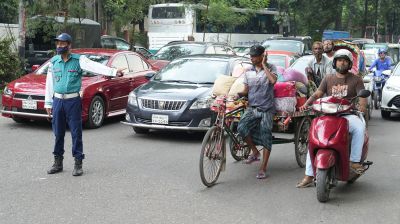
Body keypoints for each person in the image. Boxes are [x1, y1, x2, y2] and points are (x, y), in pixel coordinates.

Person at [44, 33, 123, 176]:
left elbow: (95, 67)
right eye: (58, 44)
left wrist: (113, 71)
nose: (59, 46)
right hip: (57, 101)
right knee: (58, 133)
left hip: (72, 101)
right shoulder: (54, 62)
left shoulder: (79, 60)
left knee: (76, 132)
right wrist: (48, 103)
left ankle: (78, 162)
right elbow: (49, 83)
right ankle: (58, 162)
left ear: (69, 45)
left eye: (62, 44)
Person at [296, 49, 367, 188]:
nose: (342, 62)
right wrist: (306, 104)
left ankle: (354, 160)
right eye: (340, 60)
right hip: (328, 115)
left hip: (348, 115)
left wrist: (362, 106)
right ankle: (309, 175)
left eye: (345, 60)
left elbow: (362, 97)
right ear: (335, 62)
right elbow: (318, 94)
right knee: (314, 138)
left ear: (349, 63)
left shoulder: (356, 79)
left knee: (359, 127)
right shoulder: (328, 78)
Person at [236, 45, 278, 179]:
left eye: (254, 56)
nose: (252, 58)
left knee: (266, 135)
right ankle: (255, 152)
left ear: (262, 56)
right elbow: (246, 90)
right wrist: (237, 95)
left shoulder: (271, 68)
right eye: (251, 56)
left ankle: (263, 167)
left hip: (267, 109)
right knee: (241, 127)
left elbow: (273, 81)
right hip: (252, 108)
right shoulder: (248, 71)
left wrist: (265, 65)